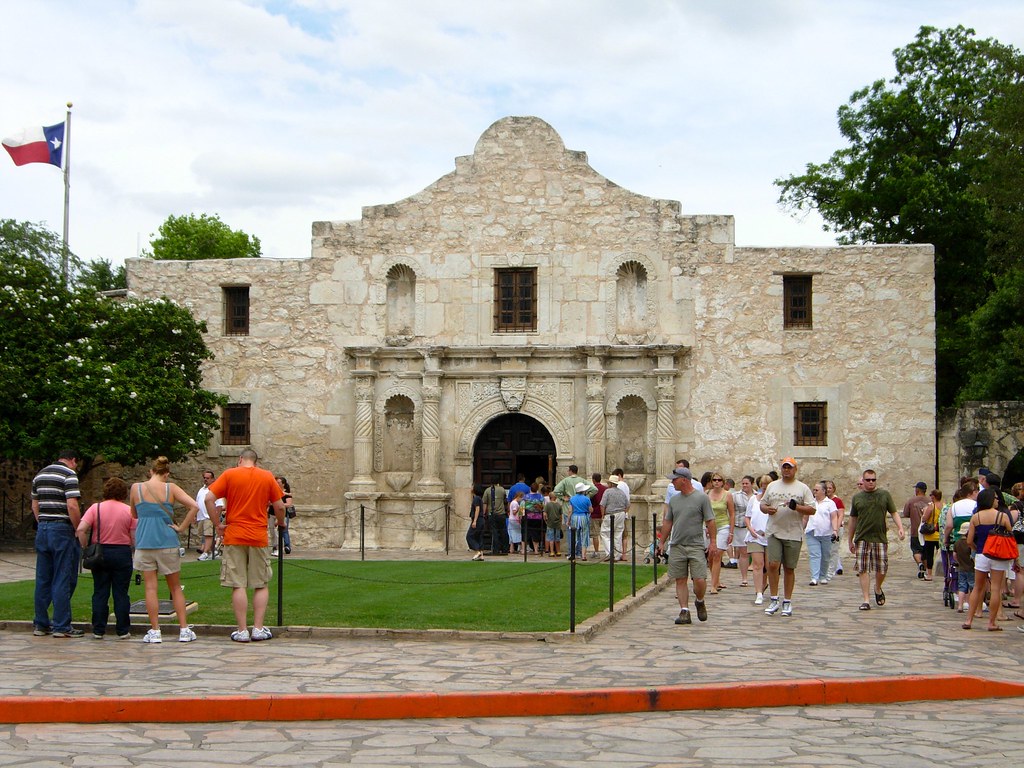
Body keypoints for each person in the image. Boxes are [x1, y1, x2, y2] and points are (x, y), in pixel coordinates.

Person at [205, 449, 286, 643]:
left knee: (238, 583)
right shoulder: (266, 476)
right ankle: (258, 628)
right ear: (255, 462)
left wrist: (217, 524)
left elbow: (208, 498)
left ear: (240, 459)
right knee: (260, 583)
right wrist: (280, 522)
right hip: (258, 535)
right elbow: (280, 506)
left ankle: (242, 630)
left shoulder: (230, 474)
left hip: (234, 534)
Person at [131, 456, 200, 643]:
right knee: (175, 587)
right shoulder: (171, 488)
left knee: (150, 587)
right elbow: (194, 506)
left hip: (145, 541)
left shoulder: (136, 488)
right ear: (166, 474)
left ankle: (155, 631)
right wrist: (182, 527)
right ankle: (184, 629)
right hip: (167, 541)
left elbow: (134, 513)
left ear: (151, 471)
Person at [32, 449, 84, 638]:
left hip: (43, 528)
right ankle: (61, 625)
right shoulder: (69, 475)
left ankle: (40, 624)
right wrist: (78, 528)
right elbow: (72, 505)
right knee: (63, 577)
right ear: (72, 460)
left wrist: (42, 523)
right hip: (62, 529)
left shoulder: (41, 474)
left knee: (43, 578)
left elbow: (35, 505)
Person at [76, 477, 136, 640]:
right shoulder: (128, 510)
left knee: (100, 592)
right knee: (121, 593)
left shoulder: (96, 508)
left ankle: (98, 629)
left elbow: (81, 529)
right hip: (122, 552)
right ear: (123, 493)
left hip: (100, 552)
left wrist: (84, 547)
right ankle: (123, 629)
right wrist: (133, 549)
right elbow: (134, 535)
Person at [658, 466, 716, 626]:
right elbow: (668, 521)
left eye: (674, 479)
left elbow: (710, 520)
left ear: (684, 480)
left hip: (696, 544)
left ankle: (699, 600)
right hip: (677, 544)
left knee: (699, 579)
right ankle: (684, 610)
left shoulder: (701, 498)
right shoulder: (674, 500)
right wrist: (662, 541)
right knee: (680, 579)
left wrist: (713, 543)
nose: (672, 482)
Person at [760, 457, 815, 617]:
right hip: (774, 531)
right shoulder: (772, 486)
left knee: (789, 568)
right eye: (784, 467)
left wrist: (796, 507)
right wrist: (767, 509)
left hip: (793, 532)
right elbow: (762, 504)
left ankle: (787, 601)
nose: (786, 470)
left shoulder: (802, 488)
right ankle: (774, 598)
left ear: (795, 469)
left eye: (789, 468)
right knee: (773, 564)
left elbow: (812, 509)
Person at [848, 468, 905, 611]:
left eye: (873, 480)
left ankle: (877, 587)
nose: (871, 482)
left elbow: (893, 512)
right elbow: (853, 519)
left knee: (882, 568)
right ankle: (866, 599)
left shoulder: (884, 495)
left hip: (879, 537)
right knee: (863, 569)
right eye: (868, 480)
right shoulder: (857, 498)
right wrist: (850, 539)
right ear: (863, 481)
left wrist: (900, 527)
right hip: (862, 537)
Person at [962, 488, 1015, 631]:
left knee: (978, 587)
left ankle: (969, 620)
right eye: (996, 498)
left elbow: (969, 540)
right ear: (991, 500)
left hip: (981, 554)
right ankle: (991, 623)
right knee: (996, 588)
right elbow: (1010, 535)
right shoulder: (1002, 516)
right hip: (998, 554)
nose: (997, 500)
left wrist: (976, 548)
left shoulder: (976, 517)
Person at [706, 472, 735, 593]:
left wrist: (731, 532)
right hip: (710, 527)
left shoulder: (727, 495)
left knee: (717, 554)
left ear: (723, 482)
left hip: (723, 526)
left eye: (719, 480)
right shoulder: (707, 494)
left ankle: (713, 585)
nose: (716, 482)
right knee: (711, 556)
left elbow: (732, 513)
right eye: (714, 480)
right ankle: (716, 579)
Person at [805, 482, 839, 586]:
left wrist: (835, 530)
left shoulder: (830, 503)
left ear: (823, 491)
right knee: (815, 555)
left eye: (816, 490)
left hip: (826, 533)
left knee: (825, 555)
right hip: (812, 532)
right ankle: (814, 577)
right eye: (814, 490)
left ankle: (823, 576)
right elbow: (805, 517)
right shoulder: (811, 502)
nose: (814, 492)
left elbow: (834, 517)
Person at [744, 474, 771, 605]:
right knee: (757, 564)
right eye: (763, 487)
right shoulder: (753, 500)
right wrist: (751, 529)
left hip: (770, 536)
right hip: (755, 536)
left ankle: (765, 585)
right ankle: (758, 592)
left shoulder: (773, 501)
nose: (764, 489)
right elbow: (747, 517)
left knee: (769, 565)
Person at [903, 481, 930, 579]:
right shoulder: (930, 500)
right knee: (926, 552)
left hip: (915, 530)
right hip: (927, 531)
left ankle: (920, 564)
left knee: (916, 550)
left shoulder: (911, 501)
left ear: (917, 490)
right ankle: (926, 570)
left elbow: (905, 513)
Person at [599, 474, 629, 560]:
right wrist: (624, 512)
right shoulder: (621, 492)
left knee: (605, 533)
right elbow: (628, 504)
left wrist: (602, 515)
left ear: (611, 484)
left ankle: (609, 553)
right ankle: (616, 555)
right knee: (618, 534)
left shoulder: (607, 492)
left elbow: (602, 505)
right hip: (621, 514)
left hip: (610, 514)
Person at [731, 476, 753, 586]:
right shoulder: (736, 496)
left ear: (751, 484)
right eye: (743, 483)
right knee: (743, 552)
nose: (744, 485)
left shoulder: (755, 497)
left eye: (747, 483)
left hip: (754, 528)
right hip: (740, 526)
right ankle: (744, 577)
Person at [919, 489, 942, 581]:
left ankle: (929, 574)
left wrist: (923, 512)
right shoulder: (944, 506)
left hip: (931, 535)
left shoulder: (931, 506)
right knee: (941, 554)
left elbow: (924, 519)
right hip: (940, 533)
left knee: (929, 555)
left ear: (934, 496)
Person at [824, 480, 846, 578]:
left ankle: (831, 570)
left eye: (830, 488)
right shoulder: (822, 501)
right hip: (825, 529)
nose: (828, 490)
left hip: (835, 528)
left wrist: (836, 528)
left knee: (833, 550)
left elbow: (840, 515)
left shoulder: (837, 501)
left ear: (833, 489)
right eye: (826, 488)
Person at [195, 470, 217, 561]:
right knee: (202, 534)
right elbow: (197, 502)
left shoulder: (214, 489)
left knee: (208, 535)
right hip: (201, 516)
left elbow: (218, 504)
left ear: (212, 479)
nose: (205, 479)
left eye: (207, 478)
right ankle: (213, 551)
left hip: (209, 516)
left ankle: (206, 552)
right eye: (204, 478)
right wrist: (195, 515)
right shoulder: (201, 489)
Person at [568, 482, 593, 561]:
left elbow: (570, 511)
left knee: (574, 536)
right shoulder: (587, 499)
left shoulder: (572, 498)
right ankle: (583, 555)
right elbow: (590, 510)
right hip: (583, 516)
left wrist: (568, 520)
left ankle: (573, 554)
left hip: (575, 517)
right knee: (584, 536)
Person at [482, 481, 509, 555]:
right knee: (503, 531)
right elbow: (505, 500)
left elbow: (485, 503)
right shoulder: (502, 489)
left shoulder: (487, 490)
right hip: (501, 513)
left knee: (494, 532)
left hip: (492, 513)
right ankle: (505, 549)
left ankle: (496, 549)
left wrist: (484, 513)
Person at [270, 476, 293, 556]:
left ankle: (286, 546)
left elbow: (289, 504)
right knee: (272, 531)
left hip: (282, 514)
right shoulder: (272, 491)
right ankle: (275, 547)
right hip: (272, 513)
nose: (277, 483)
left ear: (283, 484)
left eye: (278, 482)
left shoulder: (286, 493)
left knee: (283, 531)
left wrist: (279, 505)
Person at [590, 472, 606, 556]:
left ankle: (596, 551)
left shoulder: (593, 489)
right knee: (606, 534)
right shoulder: (605, 489)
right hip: (604, 514)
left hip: (595, 514)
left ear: (593, 480)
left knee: (595, 534)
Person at [467, 484, 485, 561]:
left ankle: (477, 551)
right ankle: (481, 555)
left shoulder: (476, 498)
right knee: (478, 537)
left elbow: (477, 509)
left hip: (478, 520)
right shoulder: (479, 498)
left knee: (469, 536)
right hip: (481, 520)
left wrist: (474, 521)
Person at [543, 486, 562, 557]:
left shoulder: (547, 505)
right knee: (557, 538)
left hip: (550, 523)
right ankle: (558, 551)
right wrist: (560, 521)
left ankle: (552, 552)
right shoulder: (559, 505)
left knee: (551, 538)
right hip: (557, 523)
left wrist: (546, 520)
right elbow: (561, 515)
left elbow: (545, 514)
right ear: (555, 497)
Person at [507, 490, 525, 554]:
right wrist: (519, 508)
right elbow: (514, 512)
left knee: (511, 534)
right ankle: (520, 548)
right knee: (520, 533)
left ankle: (511, 548)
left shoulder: (512, 502)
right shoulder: (515, 503)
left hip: (511, 519)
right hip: (515, 520)